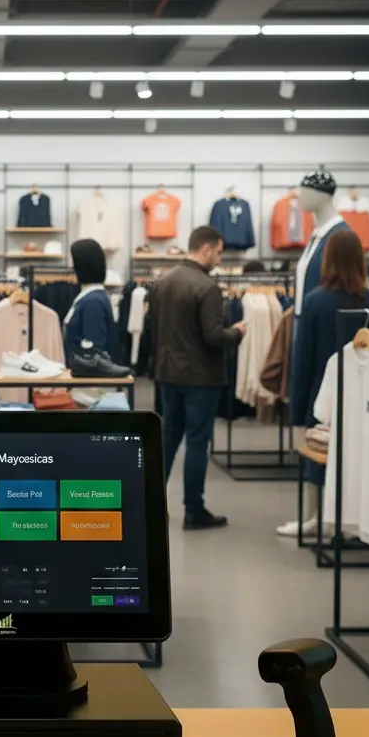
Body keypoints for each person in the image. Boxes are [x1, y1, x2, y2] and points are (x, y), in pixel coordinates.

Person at [281, 229, 369, 534]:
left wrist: (297, 406)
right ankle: (357, 519)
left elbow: (303, 358)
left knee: (318, 454)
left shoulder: (316, 302)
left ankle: (312, 519)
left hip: (323, 389)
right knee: (361, 454)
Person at [149, 225, 246, 530]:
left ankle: (150, 507)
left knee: (167, 440)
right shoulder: (207, 287)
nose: (219, 258)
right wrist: (237, 333)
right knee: (196, 442)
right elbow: (214, 336)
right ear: (206, 249)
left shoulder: (162, 283)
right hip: (201, 378)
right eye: (218, 251)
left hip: (167, 374)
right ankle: (194, 510)